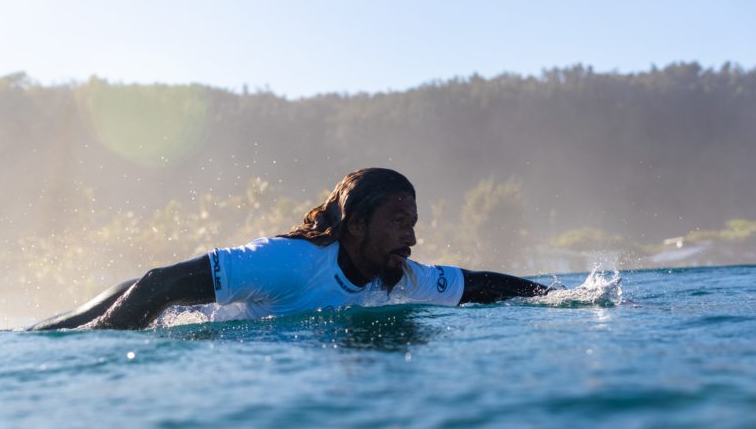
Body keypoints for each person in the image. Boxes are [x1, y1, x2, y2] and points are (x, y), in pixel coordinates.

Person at [31, 168, 552, 331]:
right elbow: (158, 284)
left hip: (158, 296)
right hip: (163, 306)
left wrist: (555, 297)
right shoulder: (291, 262)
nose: (411, 239)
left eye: (413, 225)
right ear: (356, 225)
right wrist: (98, 349)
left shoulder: (398, 274)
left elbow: (478, 284)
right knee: (51, 336)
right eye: (398, 223)